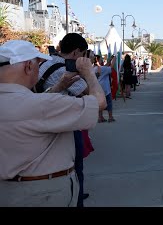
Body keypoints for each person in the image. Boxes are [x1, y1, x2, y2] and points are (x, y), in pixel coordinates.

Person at [0, 40, 106, 207]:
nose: (39, 69)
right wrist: (89, 73)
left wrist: (59, 86)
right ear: (28, 66)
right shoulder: (41, 105)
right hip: (44, 192)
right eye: (38, 64)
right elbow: (99, 102)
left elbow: (35, 105)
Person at [37, 33, 92, 207]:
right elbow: (90, 94)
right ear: (76, 52)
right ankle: (76, 198)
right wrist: (88, 73)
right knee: (76, 166)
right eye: (83, 55)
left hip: (40, 118)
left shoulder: (45, 63)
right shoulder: (64, 70)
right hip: (63, 123)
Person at [94, 54, 115, 122]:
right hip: (105, 88)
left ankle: (100, 117)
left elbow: (106, 66)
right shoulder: (102, 69)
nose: (102, 60)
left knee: (100, 103)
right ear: (97, 60)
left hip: (98, 88)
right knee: (109, 102)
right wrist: (114, 59)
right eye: (101, 59)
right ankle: (110, 117)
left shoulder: (94, 68)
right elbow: (111, 67)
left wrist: (109, 59)